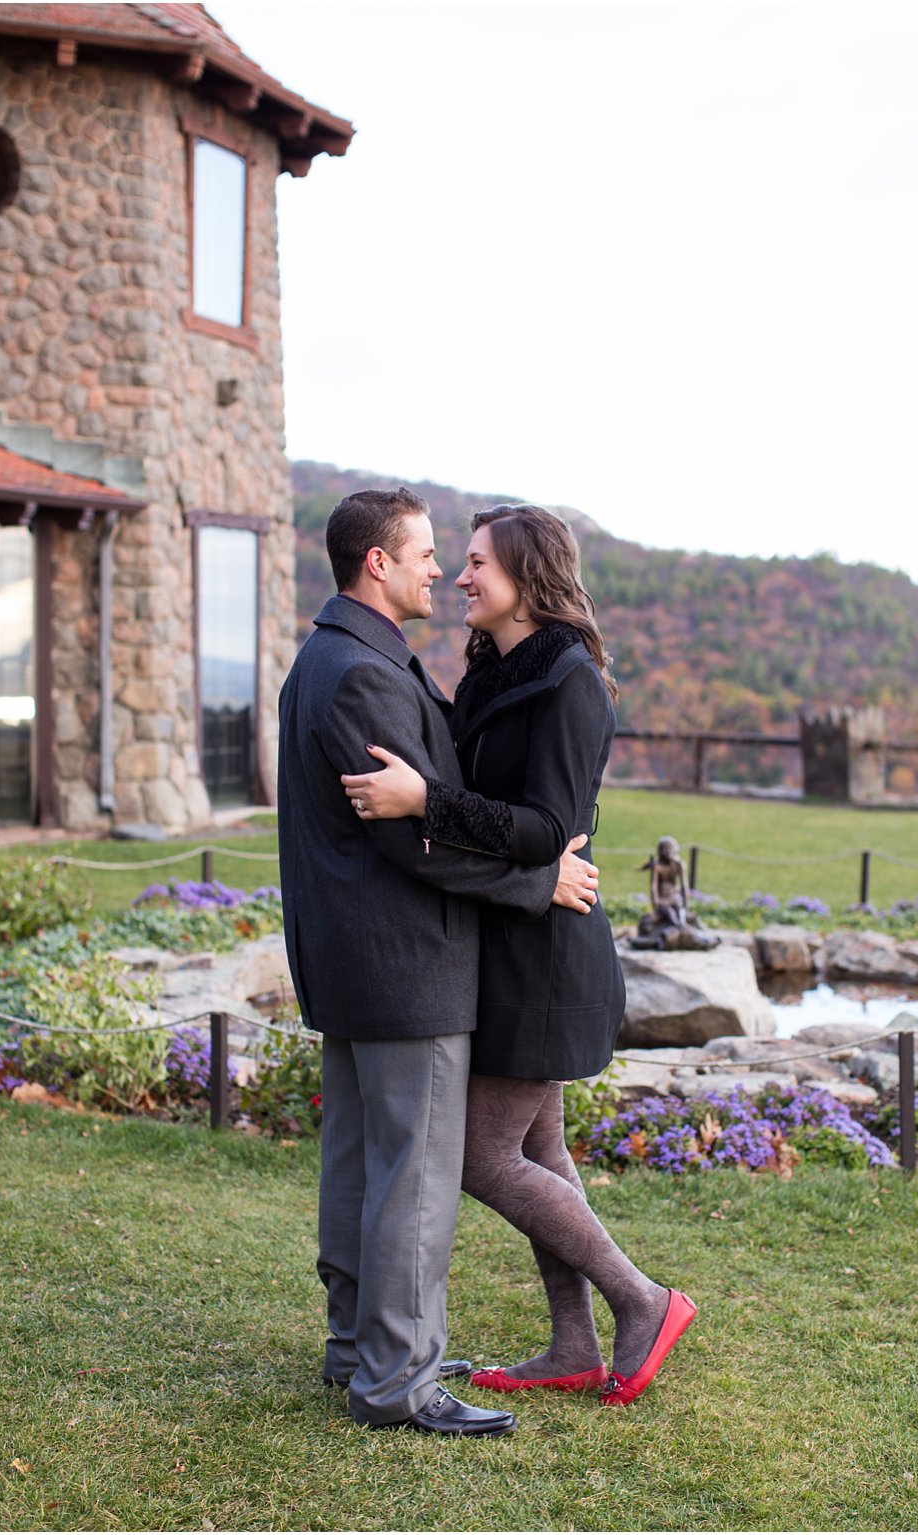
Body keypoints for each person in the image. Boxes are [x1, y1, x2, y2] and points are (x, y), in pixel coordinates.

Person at [341, 503, 696, 1408]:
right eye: (455, 561)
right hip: (512, 941)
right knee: (540, 1146)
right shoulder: (495, 669)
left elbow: (545, 830)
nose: (460, 576)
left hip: (548, 953)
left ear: (525, 578)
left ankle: (643, 1301)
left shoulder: (573, 683)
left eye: (476, 563)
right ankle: (574, 1342)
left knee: (478, 1156)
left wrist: (427, 800)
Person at [278, 487, 601, 1437]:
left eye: (457, 559)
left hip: (358, 964)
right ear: (377, 562)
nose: (440, 569)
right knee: (412, 1179)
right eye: (425, 552)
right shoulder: (363, 676)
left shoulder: (338, 657)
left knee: (361, 1168)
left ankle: (357, 1351)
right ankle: (397, 1380)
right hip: (406, 964)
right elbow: (408, 840)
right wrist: (534, 886)